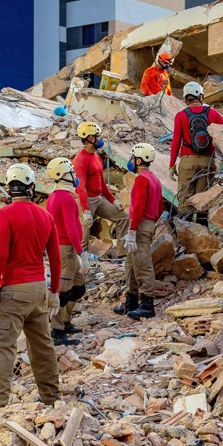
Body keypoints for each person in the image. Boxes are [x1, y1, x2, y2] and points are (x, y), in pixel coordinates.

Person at [0, 164, 62, 407]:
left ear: (9, 187)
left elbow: (0, 255)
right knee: (42, 346)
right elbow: (56, 258)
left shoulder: (5, 214)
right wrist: (55, 291)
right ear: (31, 187)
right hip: (39, 288)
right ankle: (52, 398)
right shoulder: (45, 215)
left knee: (5, 347)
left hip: (15, 290)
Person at [114, 143, 164, 320]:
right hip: (146, 223)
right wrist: (150, 223)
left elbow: (139, 207)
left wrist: (134, 230)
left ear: (139, 160)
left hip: (140, 224)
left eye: (133, 158)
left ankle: (147, 305)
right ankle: (131, 300)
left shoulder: (142, 180)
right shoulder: (155, 179)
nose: (131, 161)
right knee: (131, 263)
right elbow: (160, 207)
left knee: (142, 263)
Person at [45, 157, 90, 347]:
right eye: (72, 172)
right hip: (66, 249)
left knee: (78, 288)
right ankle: (57, 331)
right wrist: (81, 252)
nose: (75, 175)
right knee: (62, 292)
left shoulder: (55, 196)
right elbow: (71, 228)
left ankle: (64, 321)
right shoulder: (66, 198)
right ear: (63, 176)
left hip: (63, 247)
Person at [169, 81, 223, 221]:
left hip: (188, 160)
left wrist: (172, 165)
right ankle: (202, 234)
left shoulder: (181, 116)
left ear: (185, 99)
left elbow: (176, 141)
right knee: (203, 202)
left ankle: (186, 235)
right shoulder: (213, 114)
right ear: (201, 96)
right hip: (208, 161)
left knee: (185, 201)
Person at [73, 121, 129, 256]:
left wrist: (113, 200)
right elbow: (81, 187)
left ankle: (122, 255)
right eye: (97, 136)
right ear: (90, 138)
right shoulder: (80, 159)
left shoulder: (96, 157)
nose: (100, 138)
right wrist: (86, 211)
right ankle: (81, 264)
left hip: (98, 199)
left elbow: (102, 183)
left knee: (123, 217)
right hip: (86, 200)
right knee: (84, 236)